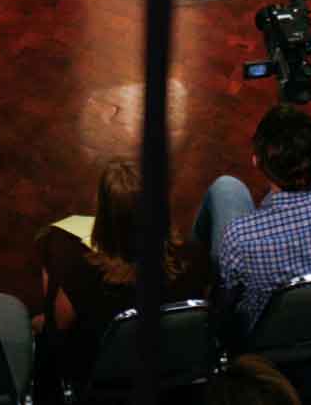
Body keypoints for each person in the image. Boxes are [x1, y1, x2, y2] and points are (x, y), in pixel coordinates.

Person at [34, 159, 212, 387]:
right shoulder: (194, 258)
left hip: (104, 384)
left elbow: (57, 332)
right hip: (173, 374)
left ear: (103, 217)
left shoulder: (76, 270)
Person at [193, 104, 311, 335]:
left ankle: (194, 255)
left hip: (262, 341)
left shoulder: (238, 237)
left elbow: (225, 308)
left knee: (226, 187)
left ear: (256, 161)